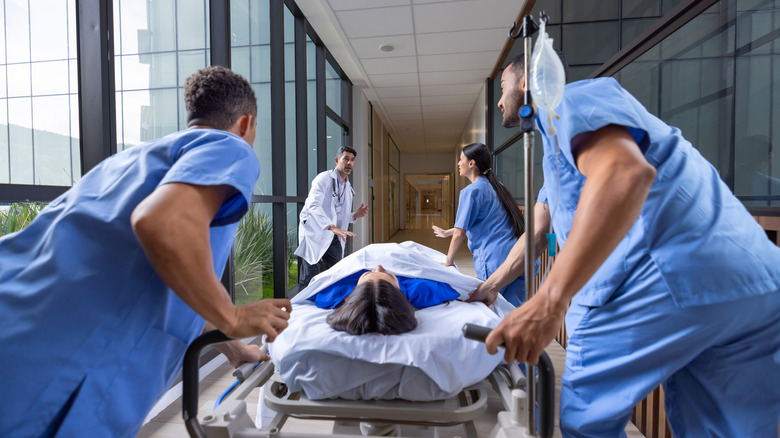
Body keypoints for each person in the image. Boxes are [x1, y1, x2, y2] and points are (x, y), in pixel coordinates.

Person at [469, 54, 780, 437]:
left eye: (502, 88)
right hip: (755, 286)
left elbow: (625, 174)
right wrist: (492, 285)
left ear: (526, 83)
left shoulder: (569, 102)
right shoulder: (571, 150)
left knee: (587, 422)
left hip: (667, 280)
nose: (499, 102)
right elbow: (537, 233)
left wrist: (551, 301)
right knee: (723, 429)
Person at [0, 66, 292, 437]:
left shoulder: (124, 164)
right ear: (246, 123)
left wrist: (232, 347)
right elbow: (161, 223)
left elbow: (166, 283)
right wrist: (232, 315)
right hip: (51, 370)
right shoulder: (229, 146)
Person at [433, 142, 528, 306]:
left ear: (472, 163)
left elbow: (460, 233)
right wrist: (445, 232)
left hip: (496, 263)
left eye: (461, 159)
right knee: (514, 312)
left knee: (490, 311)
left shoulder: (471, 191)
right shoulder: (498, 187)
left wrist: (448, 260)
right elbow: (483, 221)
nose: (458, 163)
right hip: (520, 258)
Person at [295, 146, 369, 288]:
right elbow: (313, 206)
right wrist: (332, 226)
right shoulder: (323, 179)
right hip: (314, 232)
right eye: (346, 159)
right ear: (337, 160)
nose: (349, 163)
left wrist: (355, 215)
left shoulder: (347, 186)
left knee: (337, 271)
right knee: (310, 276)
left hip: (333, 233)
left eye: (352, 160)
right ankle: (302, 307)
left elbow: (339, 214)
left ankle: (332, 302)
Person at [326, 265, 418, 335]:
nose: (378, 266)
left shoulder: (330, 294)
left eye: (367, 274)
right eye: (390, 276)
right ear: (400, 292)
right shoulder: (421, 291)